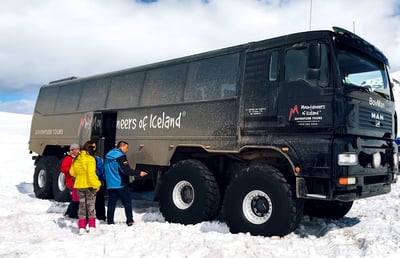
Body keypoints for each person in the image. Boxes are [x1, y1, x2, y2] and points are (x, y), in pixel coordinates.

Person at [104, 141, 147, 226]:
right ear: (121, 147)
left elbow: (104, 169)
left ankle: (110, 221)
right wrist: (139, 173)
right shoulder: (120, 157)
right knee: (127, 203)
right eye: (126, 148)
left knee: (111, 203)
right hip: (120, 184)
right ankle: (129, 220)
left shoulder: (108, 156)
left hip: (111, 184)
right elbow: (127, 171)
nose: (127, 150)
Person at [70, 141, 101, 235]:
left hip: (79, 185)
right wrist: (97, 184)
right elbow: (91, 174)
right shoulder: (90, 159)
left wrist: (80, 174)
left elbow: (72, 172)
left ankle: (82, 227)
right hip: (89, 185)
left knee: (82, 206)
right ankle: (91, 226)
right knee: (91, 206)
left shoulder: (77, 158)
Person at [61, 143, 80, 219]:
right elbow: (63, 168)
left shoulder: (79, 158)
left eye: (78, 149)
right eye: (75, 149)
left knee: (75, 198)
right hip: (71, 181)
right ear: (71, 150)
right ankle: (72, 213)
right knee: (75, 199)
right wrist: (71, 170)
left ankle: (69, 211)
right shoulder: (68, 159)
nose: (77, 151)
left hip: (78, 181)